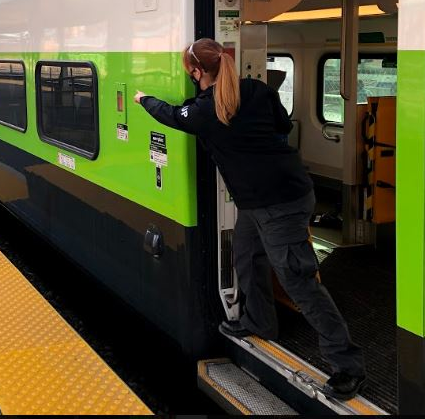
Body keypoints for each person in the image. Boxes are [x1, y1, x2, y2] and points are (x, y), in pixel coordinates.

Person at [134, 37, 366, 401]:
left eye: (190, 71)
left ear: (196, 73)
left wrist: (142, 98)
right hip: (267, 197)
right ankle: (260, 322)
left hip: (281, 203)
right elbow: (282, 127)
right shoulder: (255, 89)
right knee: (246, 255)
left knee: (299, 281)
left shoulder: (206, 112)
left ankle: (347, 366)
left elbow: (169, 114)